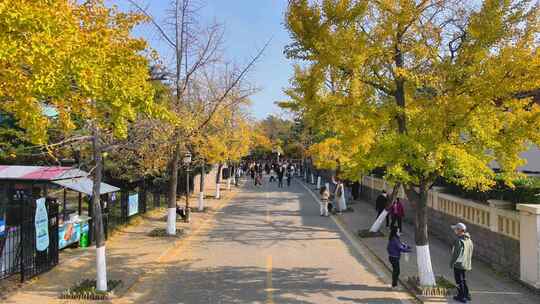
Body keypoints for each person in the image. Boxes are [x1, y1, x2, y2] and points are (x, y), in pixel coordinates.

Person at [450, 222, 473, 303]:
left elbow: (456, 254)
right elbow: (470, 251)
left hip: (459, 264)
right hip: (466, 263)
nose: (454, 231)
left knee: (459, 281)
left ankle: (461, 296)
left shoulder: (458, 240)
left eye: (455, 229)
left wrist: (452, 263)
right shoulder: (469, 239)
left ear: (460, 230)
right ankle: (467, 295)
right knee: (463, 279)